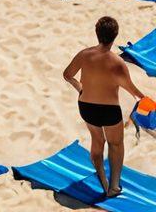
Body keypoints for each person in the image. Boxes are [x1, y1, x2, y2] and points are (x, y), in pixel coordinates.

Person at [63, 16, 147, 198]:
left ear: (97, 33)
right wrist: (144, 98)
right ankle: (114, 185)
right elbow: (130, 89)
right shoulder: (117, 63)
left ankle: (101, 176)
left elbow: (68, 75)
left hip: (86, 106)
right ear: (115, 36)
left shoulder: (84, 55)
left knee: (97, 140)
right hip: (109, 111)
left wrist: (80, 89)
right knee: (116, 144)